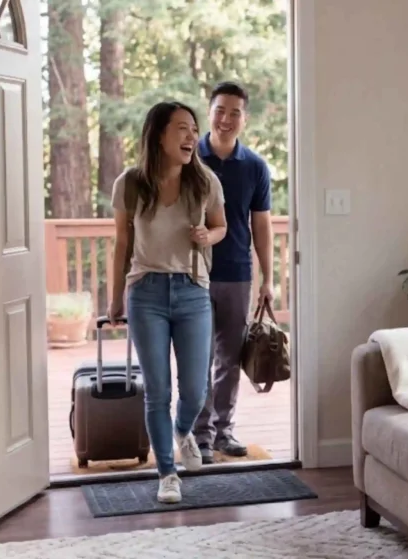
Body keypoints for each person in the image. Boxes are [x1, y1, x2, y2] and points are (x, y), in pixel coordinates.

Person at [108, 101, 227, 504]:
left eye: (194, 129)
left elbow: (221, 225)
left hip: (193, 289)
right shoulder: (129, 183)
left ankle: (182, 430)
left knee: (195, 389)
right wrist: (114, 298)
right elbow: (122, 244)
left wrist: (209, 237)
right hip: (146, 292)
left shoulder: (205, 180)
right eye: (182, 128)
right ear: (159, 134)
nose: (192, 136)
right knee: (156, 389)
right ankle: (166, 472)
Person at [192, 82, 274, 463]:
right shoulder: (188, 157)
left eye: (234, 112)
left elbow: (262, 226)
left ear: (245, 118)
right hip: (192, 273)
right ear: (209, 112)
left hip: (237, 274)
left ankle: (224, 432)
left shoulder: (255, 167)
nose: (226, 119)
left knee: (229, 358)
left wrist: (267, 279)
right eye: (220, 110)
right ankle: (199, 435)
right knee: (198, 356)